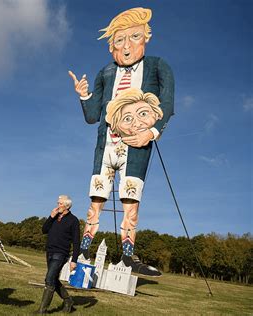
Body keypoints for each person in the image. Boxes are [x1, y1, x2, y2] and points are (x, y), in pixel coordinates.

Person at [68, 7, 174, 276]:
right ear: (110, 47)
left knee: (130, 200)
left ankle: (128, 256)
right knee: (96, 199)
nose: (126, 47)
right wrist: (83, 96)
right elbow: (93, 116)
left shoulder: (157, 66)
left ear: (146, 37)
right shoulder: (105, 73)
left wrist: (151, 133)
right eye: (119, 41)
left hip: (135, 146)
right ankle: (83, 250)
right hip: (106, 146)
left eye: (134, 37)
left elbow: (168, 103)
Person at [37, 195, 80, 314]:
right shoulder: (54, 217)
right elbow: (44, 230)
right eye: (58, 203)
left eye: (60, 203)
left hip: (61, 253)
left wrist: (74, 260)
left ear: (66, 205)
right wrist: (51, 217)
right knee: (53, 279)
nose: (57, 205)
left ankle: (42, 311)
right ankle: (68, 301)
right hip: (49, 251)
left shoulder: (73, 220)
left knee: (49, 278)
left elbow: (77, 242)